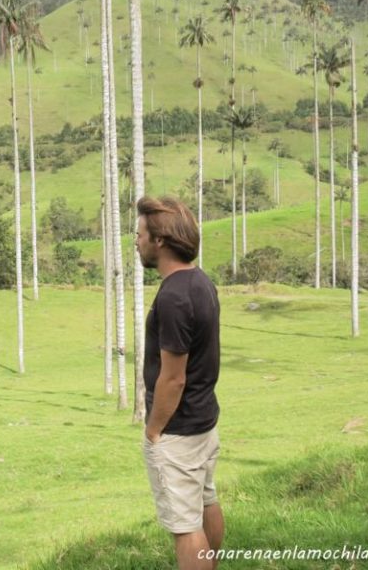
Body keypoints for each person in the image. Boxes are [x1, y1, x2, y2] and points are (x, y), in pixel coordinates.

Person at [135, 196, 224, 570]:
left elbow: (173, 377)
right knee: (206, 502)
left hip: (179, 430)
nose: (136, 241)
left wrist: (154, 430)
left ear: (160, 241)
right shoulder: (200, 282)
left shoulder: (173, 297)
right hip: (204, 422)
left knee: (186, 528)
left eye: (139, 234)